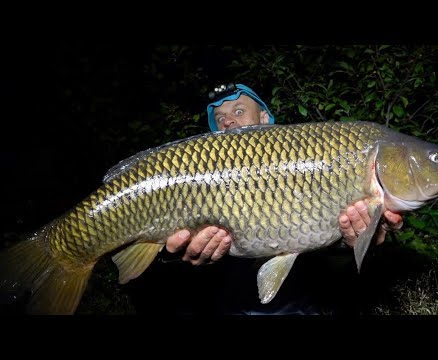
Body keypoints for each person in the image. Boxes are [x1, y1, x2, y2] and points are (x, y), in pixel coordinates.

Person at [132, 83, 404, 315]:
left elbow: (331, 260)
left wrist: (350, 243)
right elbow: (169, 267)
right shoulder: (196, 177)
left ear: (264, 119)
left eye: (239, 111)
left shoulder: (310, 158)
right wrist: (175, 256)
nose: (228, 121)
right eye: (220, 118)